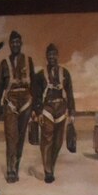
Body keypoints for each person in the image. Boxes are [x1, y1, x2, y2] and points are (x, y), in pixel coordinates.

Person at [0, 32, 36, 184]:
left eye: (18, 42)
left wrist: (36, 108)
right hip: (10, 103)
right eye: (13, 42)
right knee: (11, 137)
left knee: (21, 138)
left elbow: (34, 85)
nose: (15, 44)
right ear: (10, 44)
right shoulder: (4, 63)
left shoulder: (29, 61)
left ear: (21, 43)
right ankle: (10, 170)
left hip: (26, 103)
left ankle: (15, 167)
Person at [29, 43, 76, 185]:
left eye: (54, 54)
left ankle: (51, 166)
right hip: (47, 109)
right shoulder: (40, 75)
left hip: (61, 109)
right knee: (47, 140)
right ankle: (48, 171)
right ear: (46, 57)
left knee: (58, 142)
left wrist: (72, 112)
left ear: (57, 56)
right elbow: (36, 95)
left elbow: (70, 93)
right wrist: (37, 112)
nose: (52, 57)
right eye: (49, 55)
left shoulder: (65, 73)